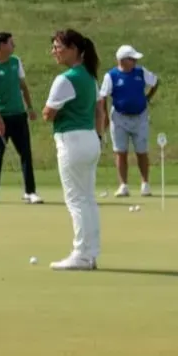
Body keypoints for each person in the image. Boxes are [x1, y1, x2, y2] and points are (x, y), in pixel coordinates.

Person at [41, 28, 105, 271]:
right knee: (87, 199)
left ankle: (81, 253)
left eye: (58, 47)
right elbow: (99, 111)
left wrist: (51, 112)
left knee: (77, 200)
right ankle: (90, 253)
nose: (54, 52)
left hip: (72, 140)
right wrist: (99, 136)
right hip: (90, 138)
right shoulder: (90, 77)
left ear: (74, 49)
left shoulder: (65, 79)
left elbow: (48, 113)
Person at [0, 30, 41, 205]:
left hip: (19, 115)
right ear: (1, 46)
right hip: (1, 117)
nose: (13, 45)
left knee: (25, 153)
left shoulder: (16, 62)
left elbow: (23, 86)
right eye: (10, 42)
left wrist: (29, 107)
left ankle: (30, 191)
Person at [100, 43, 159, 197]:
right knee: (120, 152)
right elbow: (103, 97)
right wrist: (104, 117)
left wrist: (148, 98)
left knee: (142, 152)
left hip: (140, 117)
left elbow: (155, 82)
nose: (135, 62)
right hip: (119, 118)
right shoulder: (111, 76)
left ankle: (145, 184)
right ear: (123, 60)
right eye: (132, 59)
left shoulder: (141, 72)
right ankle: (123, 185)